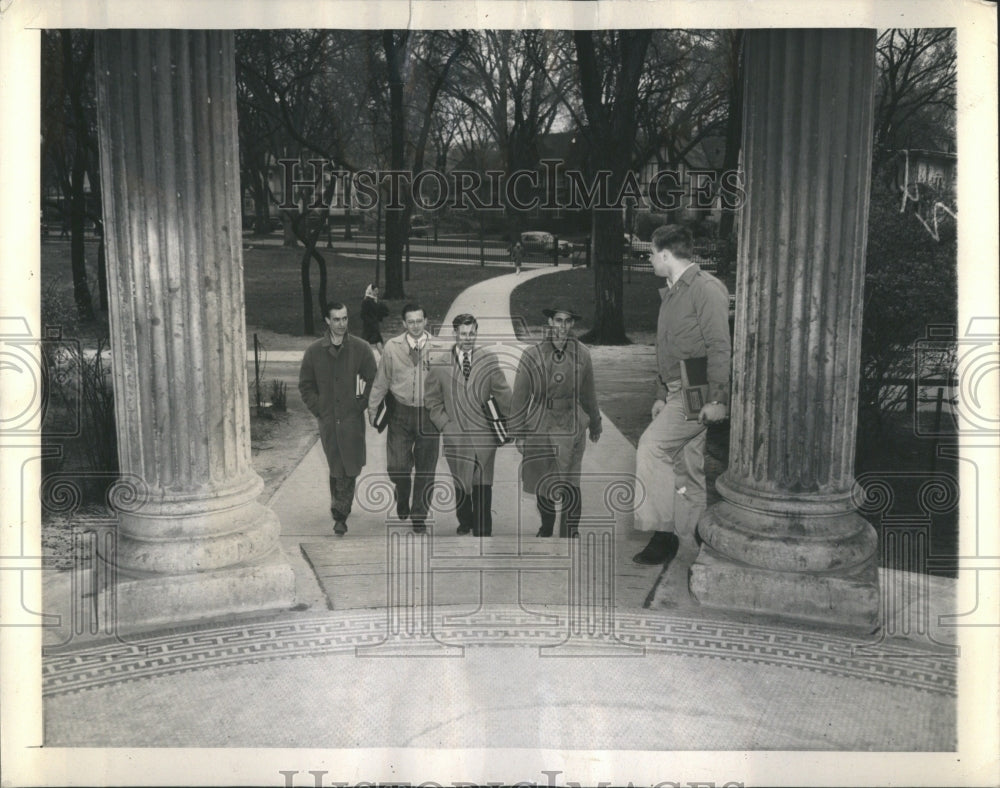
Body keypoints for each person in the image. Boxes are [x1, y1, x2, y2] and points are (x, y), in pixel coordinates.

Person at [632, 224, 731, 566]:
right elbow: (666, 348)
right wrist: (662, 392)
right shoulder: (673, 290)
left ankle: (662, 534)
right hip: (680, 385)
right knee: (688, 465)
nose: (648, 259)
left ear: (664, 254)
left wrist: (717, 399)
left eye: (651, 253)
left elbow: (720, 345)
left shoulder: (706, 289)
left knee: (652, 446)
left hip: (697, 384)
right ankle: (689, 540)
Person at [511, 303, 602, 538]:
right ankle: (547, 526)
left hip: (572, 422)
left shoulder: (582, 353)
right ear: (550, 322)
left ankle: (570, 530)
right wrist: (519, 434)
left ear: (572, 324)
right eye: (558, 320)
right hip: (541, 422)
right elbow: (520, 397)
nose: (562, 326)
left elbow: (588, 391)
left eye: (567, 321)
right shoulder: (532, 354)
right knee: (544, 478)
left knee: (571, 478)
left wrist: (595, 422)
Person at [424, 314, 513, 537]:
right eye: (463, 333)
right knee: (462, 481)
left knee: (483, 481)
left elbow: (503, 393)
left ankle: (483, 525)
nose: (467, 338)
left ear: (476, 333)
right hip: (456, 434)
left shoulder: (488, 360)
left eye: (472, 333)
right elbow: (432, 400)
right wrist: (445, 424)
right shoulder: (440, 364)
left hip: (484, 434)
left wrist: (513, 423)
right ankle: (465, 520)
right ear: (455, 333)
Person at [298, 301, 378, 537]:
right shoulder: (314, 351)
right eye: (336, 319)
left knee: (349, 465)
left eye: (345, 319)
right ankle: (340, 503)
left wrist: (360, 404)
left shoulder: (361, 349)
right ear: (327, 321)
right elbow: (305, 385)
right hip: (328, 420)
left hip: (352, 419)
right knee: (336, 464)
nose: (341, 324)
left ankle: (340, 514)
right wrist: (319, 409)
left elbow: (373, 380)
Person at [368, 303, 441, 533]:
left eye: (419, 321)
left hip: (429, 414)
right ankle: (402, 489)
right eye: (411, 322)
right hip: (399, 413)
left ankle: (419, 514)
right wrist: (373, 408)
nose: (416, 326)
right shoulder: (392, 347)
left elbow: (447, 384)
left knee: (426, 469)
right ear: (403, 324)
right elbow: (382, 380)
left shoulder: (439, 348)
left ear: (426, 321)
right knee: (397, 466)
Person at [360, 283, 390, 351]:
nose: (377, 293)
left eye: (377, 291)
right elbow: (362, 315)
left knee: (377, 340)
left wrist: (379, 317)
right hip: (368, 325)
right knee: (367, 341)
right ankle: (367, 356)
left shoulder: (375, 300)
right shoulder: (366, 301)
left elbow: (384, 311)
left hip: (375, 325)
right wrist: (370, 321)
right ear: (371, 291)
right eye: (375, 291)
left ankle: (382, 357)